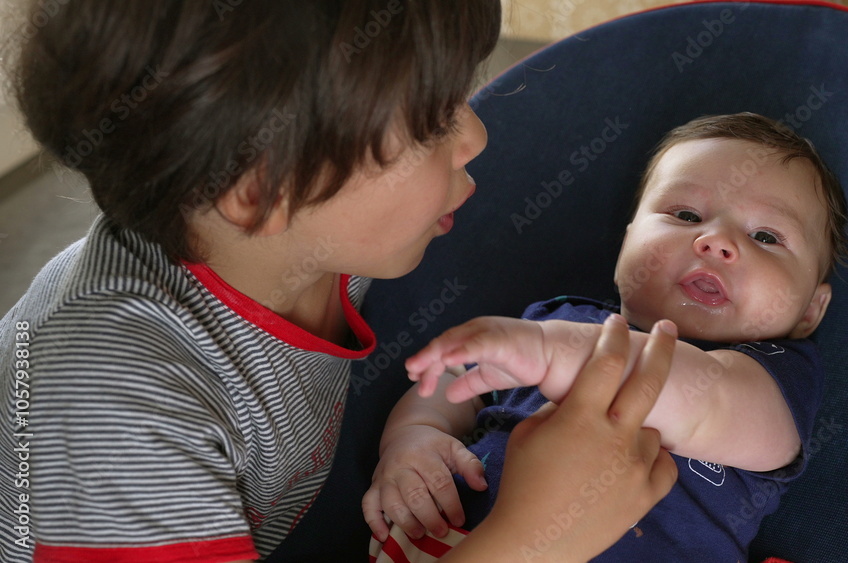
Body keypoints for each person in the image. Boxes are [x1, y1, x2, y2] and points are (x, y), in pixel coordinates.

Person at [0, 2, 679, 561]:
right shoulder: (111, 409)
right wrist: (537, 538)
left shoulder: (309, 243)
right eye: (432, 120)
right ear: (261, 191)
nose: (474, 134)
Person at [365, 113, 848, 561]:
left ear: (810, 311)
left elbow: (706, 400)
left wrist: (548, 353)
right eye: (686, 215)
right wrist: (416, 435)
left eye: (766, 237)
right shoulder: (560, 320)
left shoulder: (774, 375)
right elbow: (455, 375)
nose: (716, 242)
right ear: (627, 244)